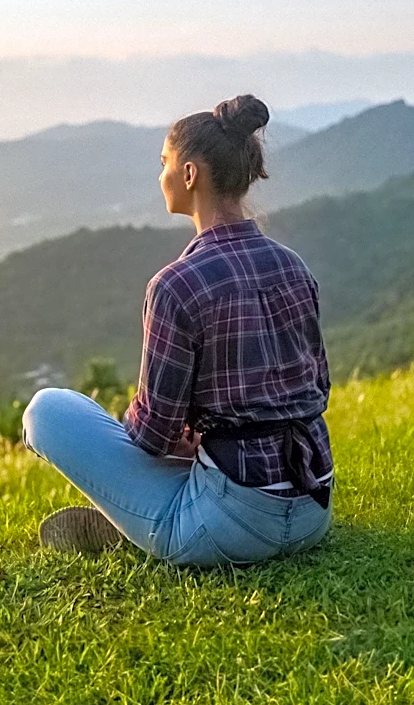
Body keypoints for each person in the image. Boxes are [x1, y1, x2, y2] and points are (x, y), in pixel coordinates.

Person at [22, 93, 334, 567]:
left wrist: (178, 439)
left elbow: (151, 434)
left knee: (46, 410)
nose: (160, 174)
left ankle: (139, 518)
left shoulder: (176, 285)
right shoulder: (295, 267)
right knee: (197, 455)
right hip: (314, 510)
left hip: (229, 528)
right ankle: (153, 507)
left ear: (190, 175)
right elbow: (317, 390)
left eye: (164, 162)